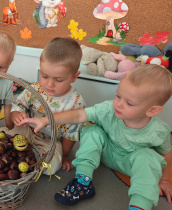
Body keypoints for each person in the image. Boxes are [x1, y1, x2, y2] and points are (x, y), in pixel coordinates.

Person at [18, 64, 172, 210]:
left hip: (131, 164)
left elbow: (167, 153)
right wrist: (46, 119)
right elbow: (79, 115)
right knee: (92, 131)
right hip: (103, 153)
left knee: (148, 158)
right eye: (118, 96)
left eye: (129, 103)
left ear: (152, 111)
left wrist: (164, 181)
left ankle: (139, 205)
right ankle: (83, 183)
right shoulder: (108, 109)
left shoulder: (159, 131)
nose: (118, 104)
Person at [0, 37, 86, 174]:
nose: (49, 84)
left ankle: (28, 159)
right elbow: (16, 106)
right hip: (26, 130)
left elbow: (71, 135)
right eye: (44, 76)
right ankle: (22, 156)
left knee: (52, 166)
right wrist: (16, 116)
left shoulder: (76, 103)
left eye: (59, 80)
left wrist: (65, 155)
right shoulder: (34, 89)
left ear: (74, 77)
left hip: (51, 142)